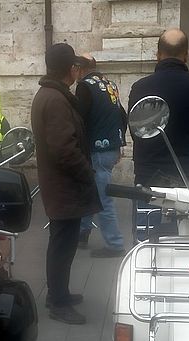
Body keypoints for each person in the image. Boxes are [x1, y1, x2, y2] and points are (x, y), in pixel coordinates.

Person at [31, 43, 101, 325]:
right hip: (64, 186)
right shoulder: (56, 99)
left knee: (63, 243)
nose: (77, 70)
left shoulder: (50, 95)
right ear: (70, 69)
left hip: (61, 185)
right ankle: (58, 302)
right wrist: (87, 172)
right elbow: (64, 149)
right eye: (75, 66)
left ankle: (59, 293)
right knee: (62, 245)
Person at [128, 29, 189, 188]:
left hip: (149, 173)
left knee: (147, 205)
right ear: (186, 55)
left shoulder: (139, 87)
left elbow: (136, 131)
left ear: (158, 55)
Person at [75, 54, 127, 257]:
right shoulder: (109, 84)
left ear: (80, 69)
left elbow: (79, 119)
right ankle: (82, 232)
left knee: (103, 198)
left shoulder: (85, 86)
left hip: (96, 149)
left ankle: (115, 244)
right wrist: (118, 143)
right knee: (89, 190)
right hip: (110, 146)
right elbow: (121, 115)